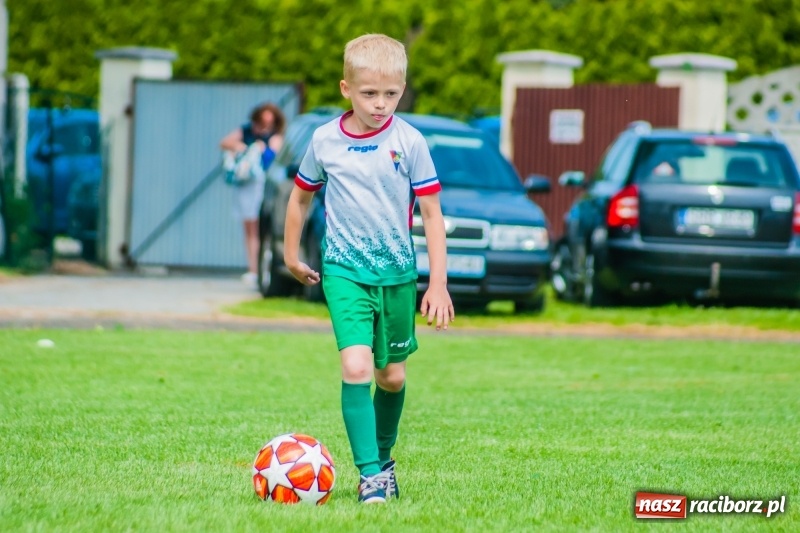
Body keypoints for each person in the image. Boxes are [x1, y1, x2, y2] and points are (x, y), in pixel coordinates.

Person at [283, 34, 454, 504]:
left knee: (391, 376)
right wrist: (290, 255)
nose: (381, 105)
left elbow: (433, 214)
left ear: (403, 90)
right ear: (346, 88)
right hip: (344, 272)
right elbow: (300, 197)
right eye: (369, 94)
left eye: (391, 94)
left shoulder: (410, 141)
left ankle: (383, 459)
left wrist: (437, 283)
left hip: (398, 276)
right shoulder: (324, 140)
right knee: (356, 365)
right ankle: (370, 477)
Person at [220, 103, 286, 288]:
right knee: (248, 228)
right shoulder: (247, 130)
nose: (266, 125)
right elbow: (225, 142)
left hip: (261, 186)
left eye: (270, 122)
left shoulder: (275, 137)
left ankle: (256, 269)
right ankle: (252, 268)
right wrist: (240, 146)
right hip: (245, 184)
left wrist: (262, 149)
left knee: (256, 228)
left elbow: (272, 158)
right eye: (263, 121)